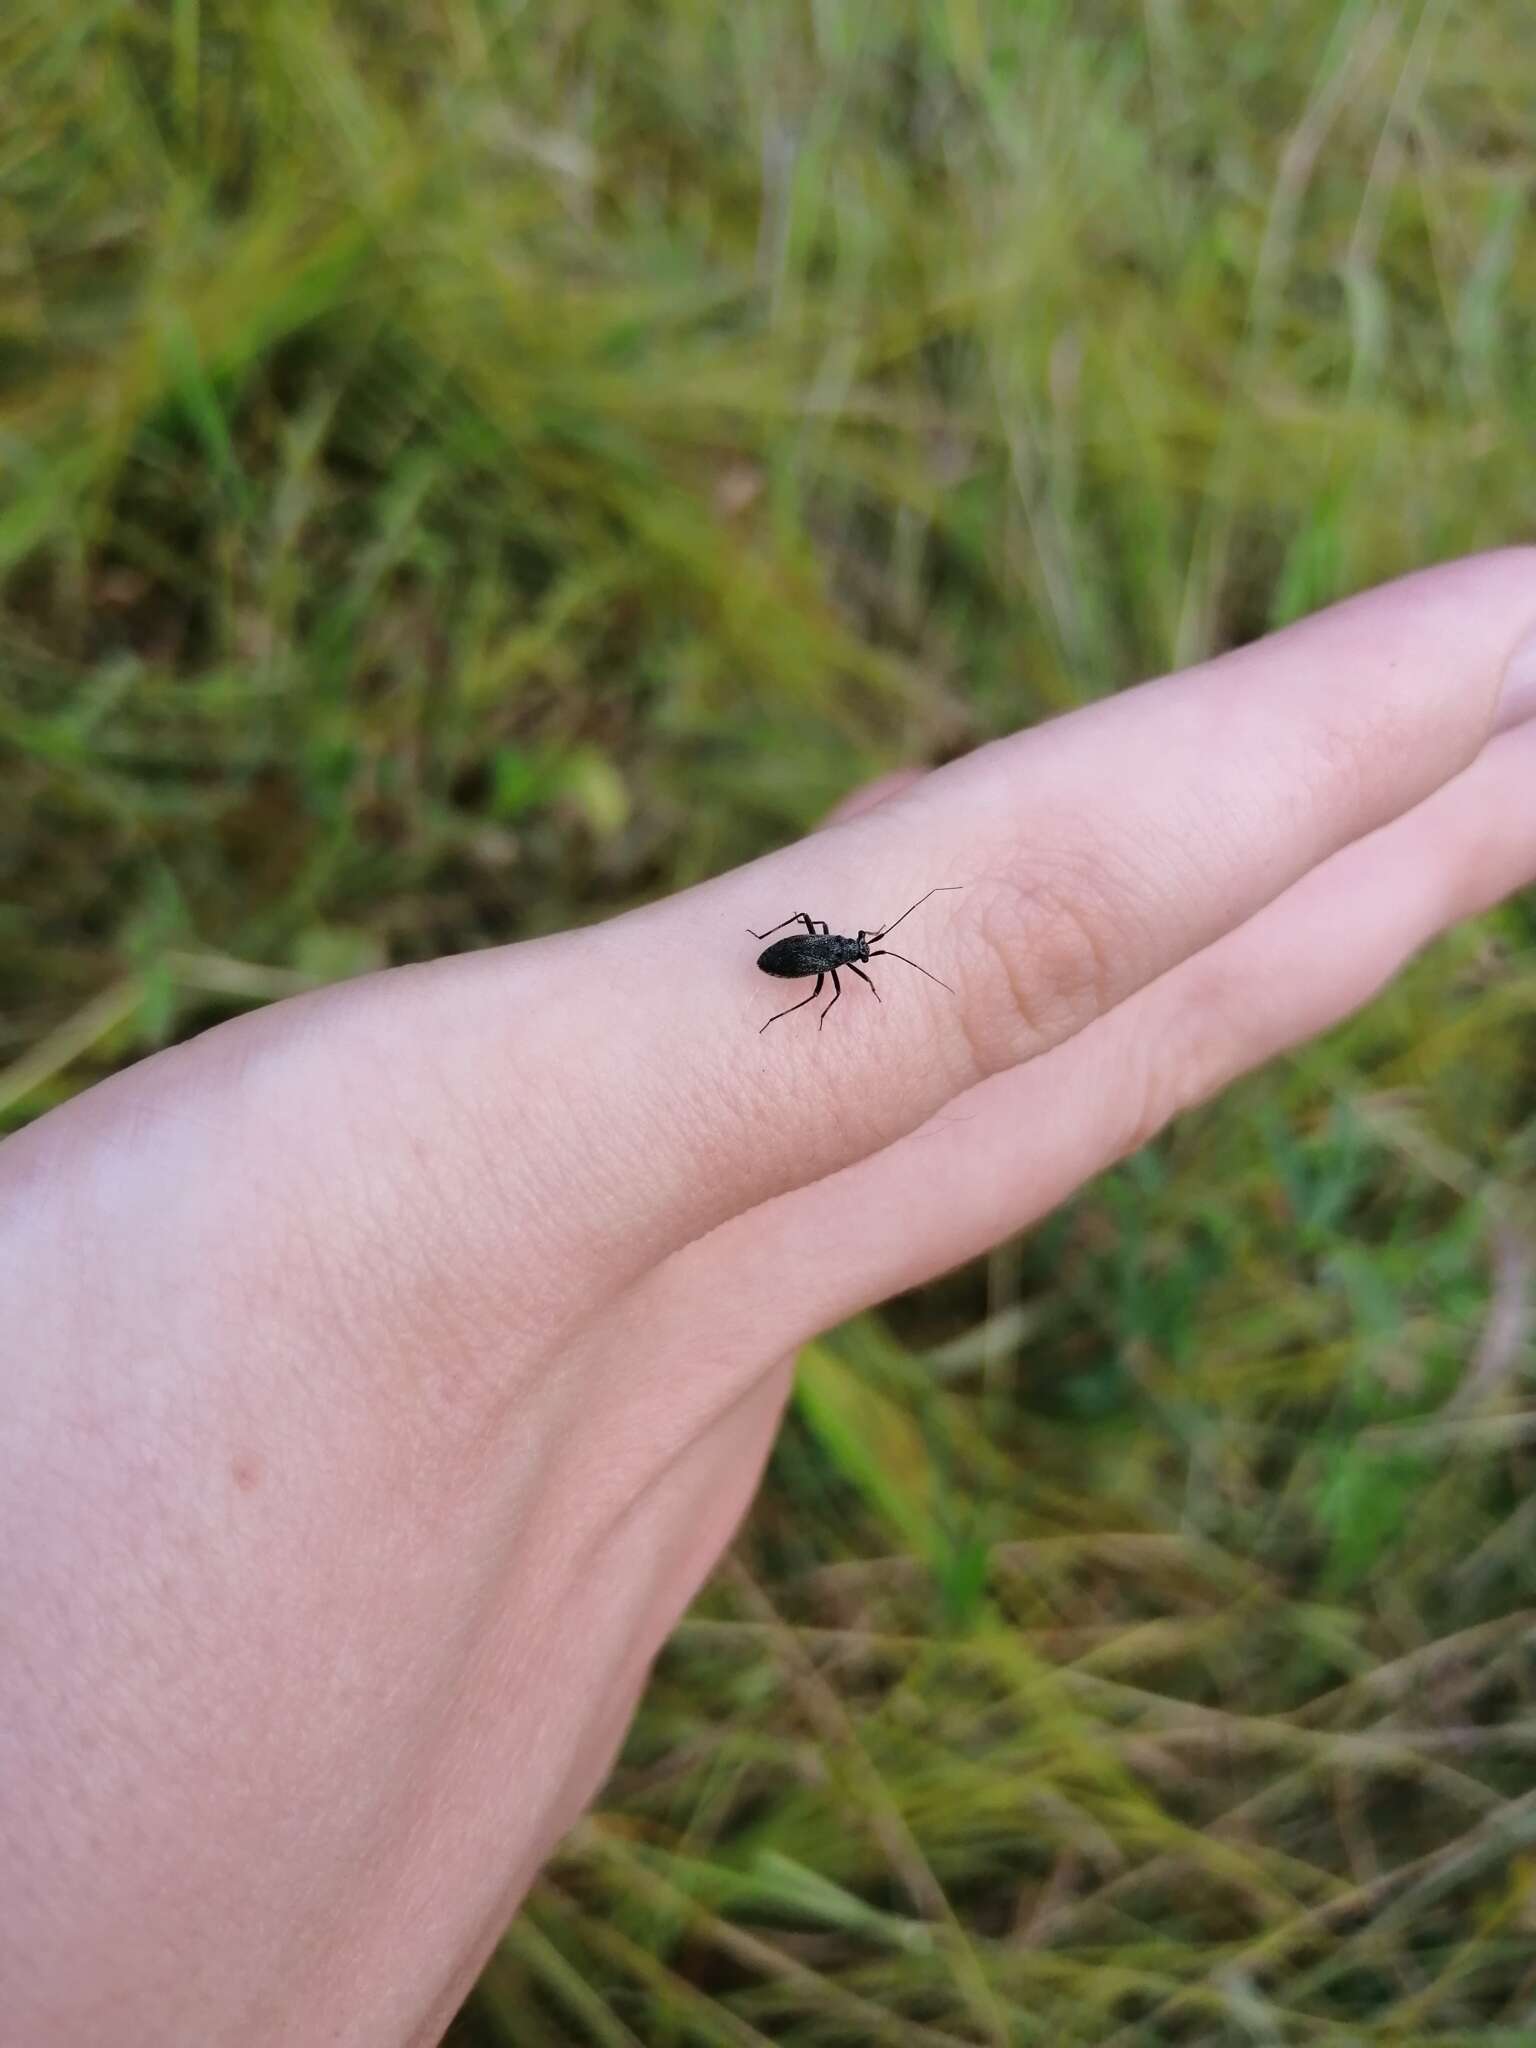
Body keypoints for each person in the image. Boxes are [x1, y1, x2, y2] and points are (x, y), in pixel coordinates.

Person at [3, 551, 1535, 2046]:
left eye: (843, 951)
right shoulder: (831, 968)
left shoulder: (843, 967)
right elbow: (797, 962)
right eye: (841, 950)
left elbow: (809, 960)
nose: (843, 955)